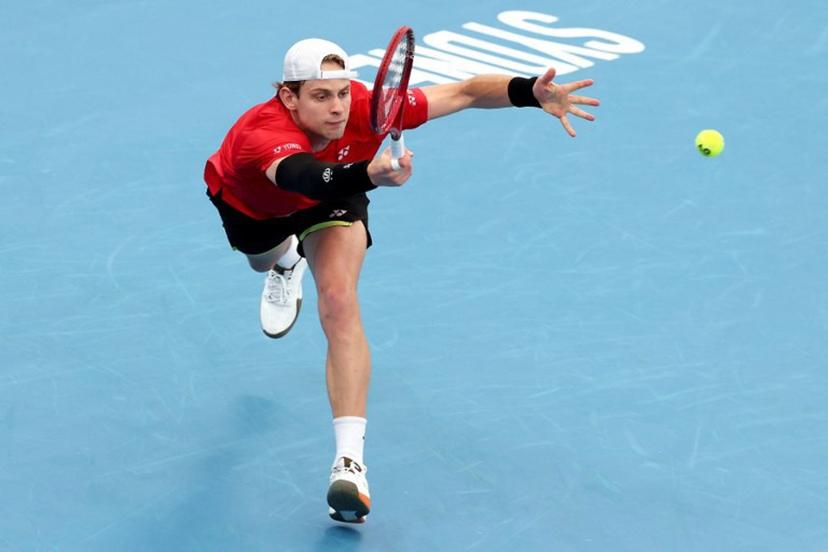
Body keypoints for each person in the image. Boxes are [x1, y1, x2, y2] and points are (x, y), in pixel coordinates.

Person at [204, 37, 599, 524]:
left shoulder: (371, 108)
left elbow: (468, 92)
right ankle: (286, 260)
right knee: (260, 259)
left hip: (336, 202)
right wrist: (368, 175)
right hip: (258, 205)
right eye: (320, 96)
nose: (336, 108)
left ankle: (349, 463)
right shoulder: (260, 134)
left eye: (342, 93)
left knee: (338, 300)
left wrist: (527, 92)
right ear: (289, 97)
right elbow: (306, 177)